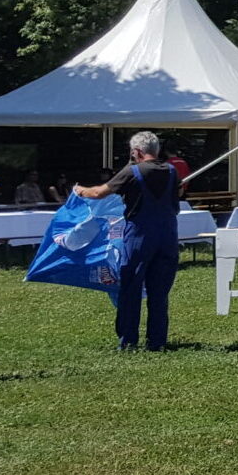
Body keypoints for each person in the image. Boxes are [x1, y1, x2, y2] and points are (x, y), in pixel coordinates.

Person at [75, 131, 179, 352]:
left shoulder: (132, 171)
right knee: (159, 292)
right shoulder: (172, 171)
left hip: (140, 235)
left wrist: (80, 190)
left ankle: (128, 341)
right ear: (157, 150)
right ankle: (157, 342)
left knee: (131, 287)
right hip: (168, 234)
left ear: (137, 151)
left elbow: (99, 193)